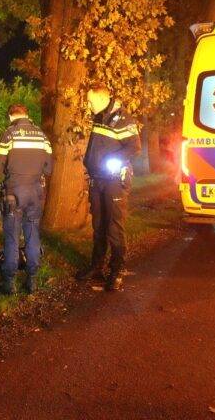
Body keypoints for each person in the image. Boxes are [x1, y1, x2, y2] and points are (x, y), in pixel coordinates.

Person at [76, 84, 141, 291]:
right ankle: (97, 266)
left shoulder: (123, 119)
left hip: (114, 180)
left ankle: (117, 270)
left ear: (103, 98)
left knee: (114, 226)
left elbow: (135, 147)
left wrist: (112, 160)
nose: (88, 104)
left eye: (90, 100)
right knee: (99, 226)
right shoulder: (98, 117)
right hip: (98, 179)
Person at [0, 104, 53, 295]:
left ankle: (9, 282)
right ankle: (32, 280)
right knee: (32, 235)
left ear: (11, 116)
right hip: (35, 192)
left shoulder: (9, 134)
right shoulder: (42, 136)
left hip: (14, 193)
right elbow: (49, 169)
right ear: (27, 115)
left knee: (12, 238)